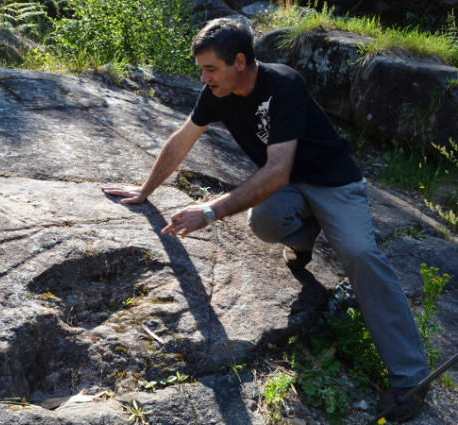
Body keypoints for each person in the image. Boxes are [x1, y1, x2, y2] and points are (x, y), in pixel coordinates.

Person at [101, 18, 430, 422]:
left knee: (360, 253)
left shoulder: (283, 84)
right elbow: (184, 137)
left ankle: (411, 376)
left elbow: (276, 171)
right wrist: (145, 191)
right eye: (201, 70)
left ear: (240, 61)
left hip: (333, 182)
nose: (203, 79)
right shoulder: (216, 92)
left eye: (210, 69)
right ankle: (307, 235)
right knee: (265, 223)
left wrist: (210, 211)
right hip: (290, 188)